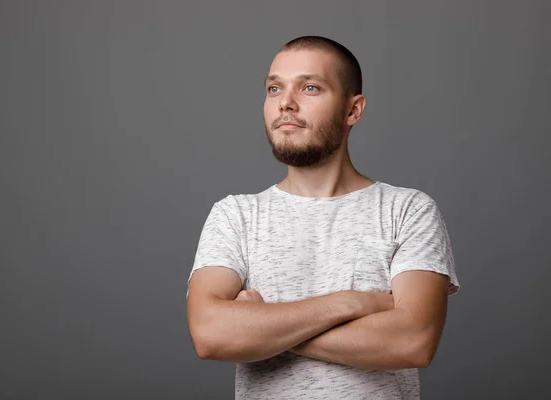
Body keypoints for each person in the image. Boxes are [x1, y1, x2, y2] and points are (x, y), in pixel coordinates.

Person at [186, 35, 460, 399]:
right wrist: (350, 303)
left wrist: (262, 327)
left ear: (353, 110)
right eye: (273, 88)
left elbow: (413, 342)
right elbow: (210, 335)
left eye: (310, 87)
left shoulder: (408, 210)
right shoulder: (235, 216)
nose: (286, 103)